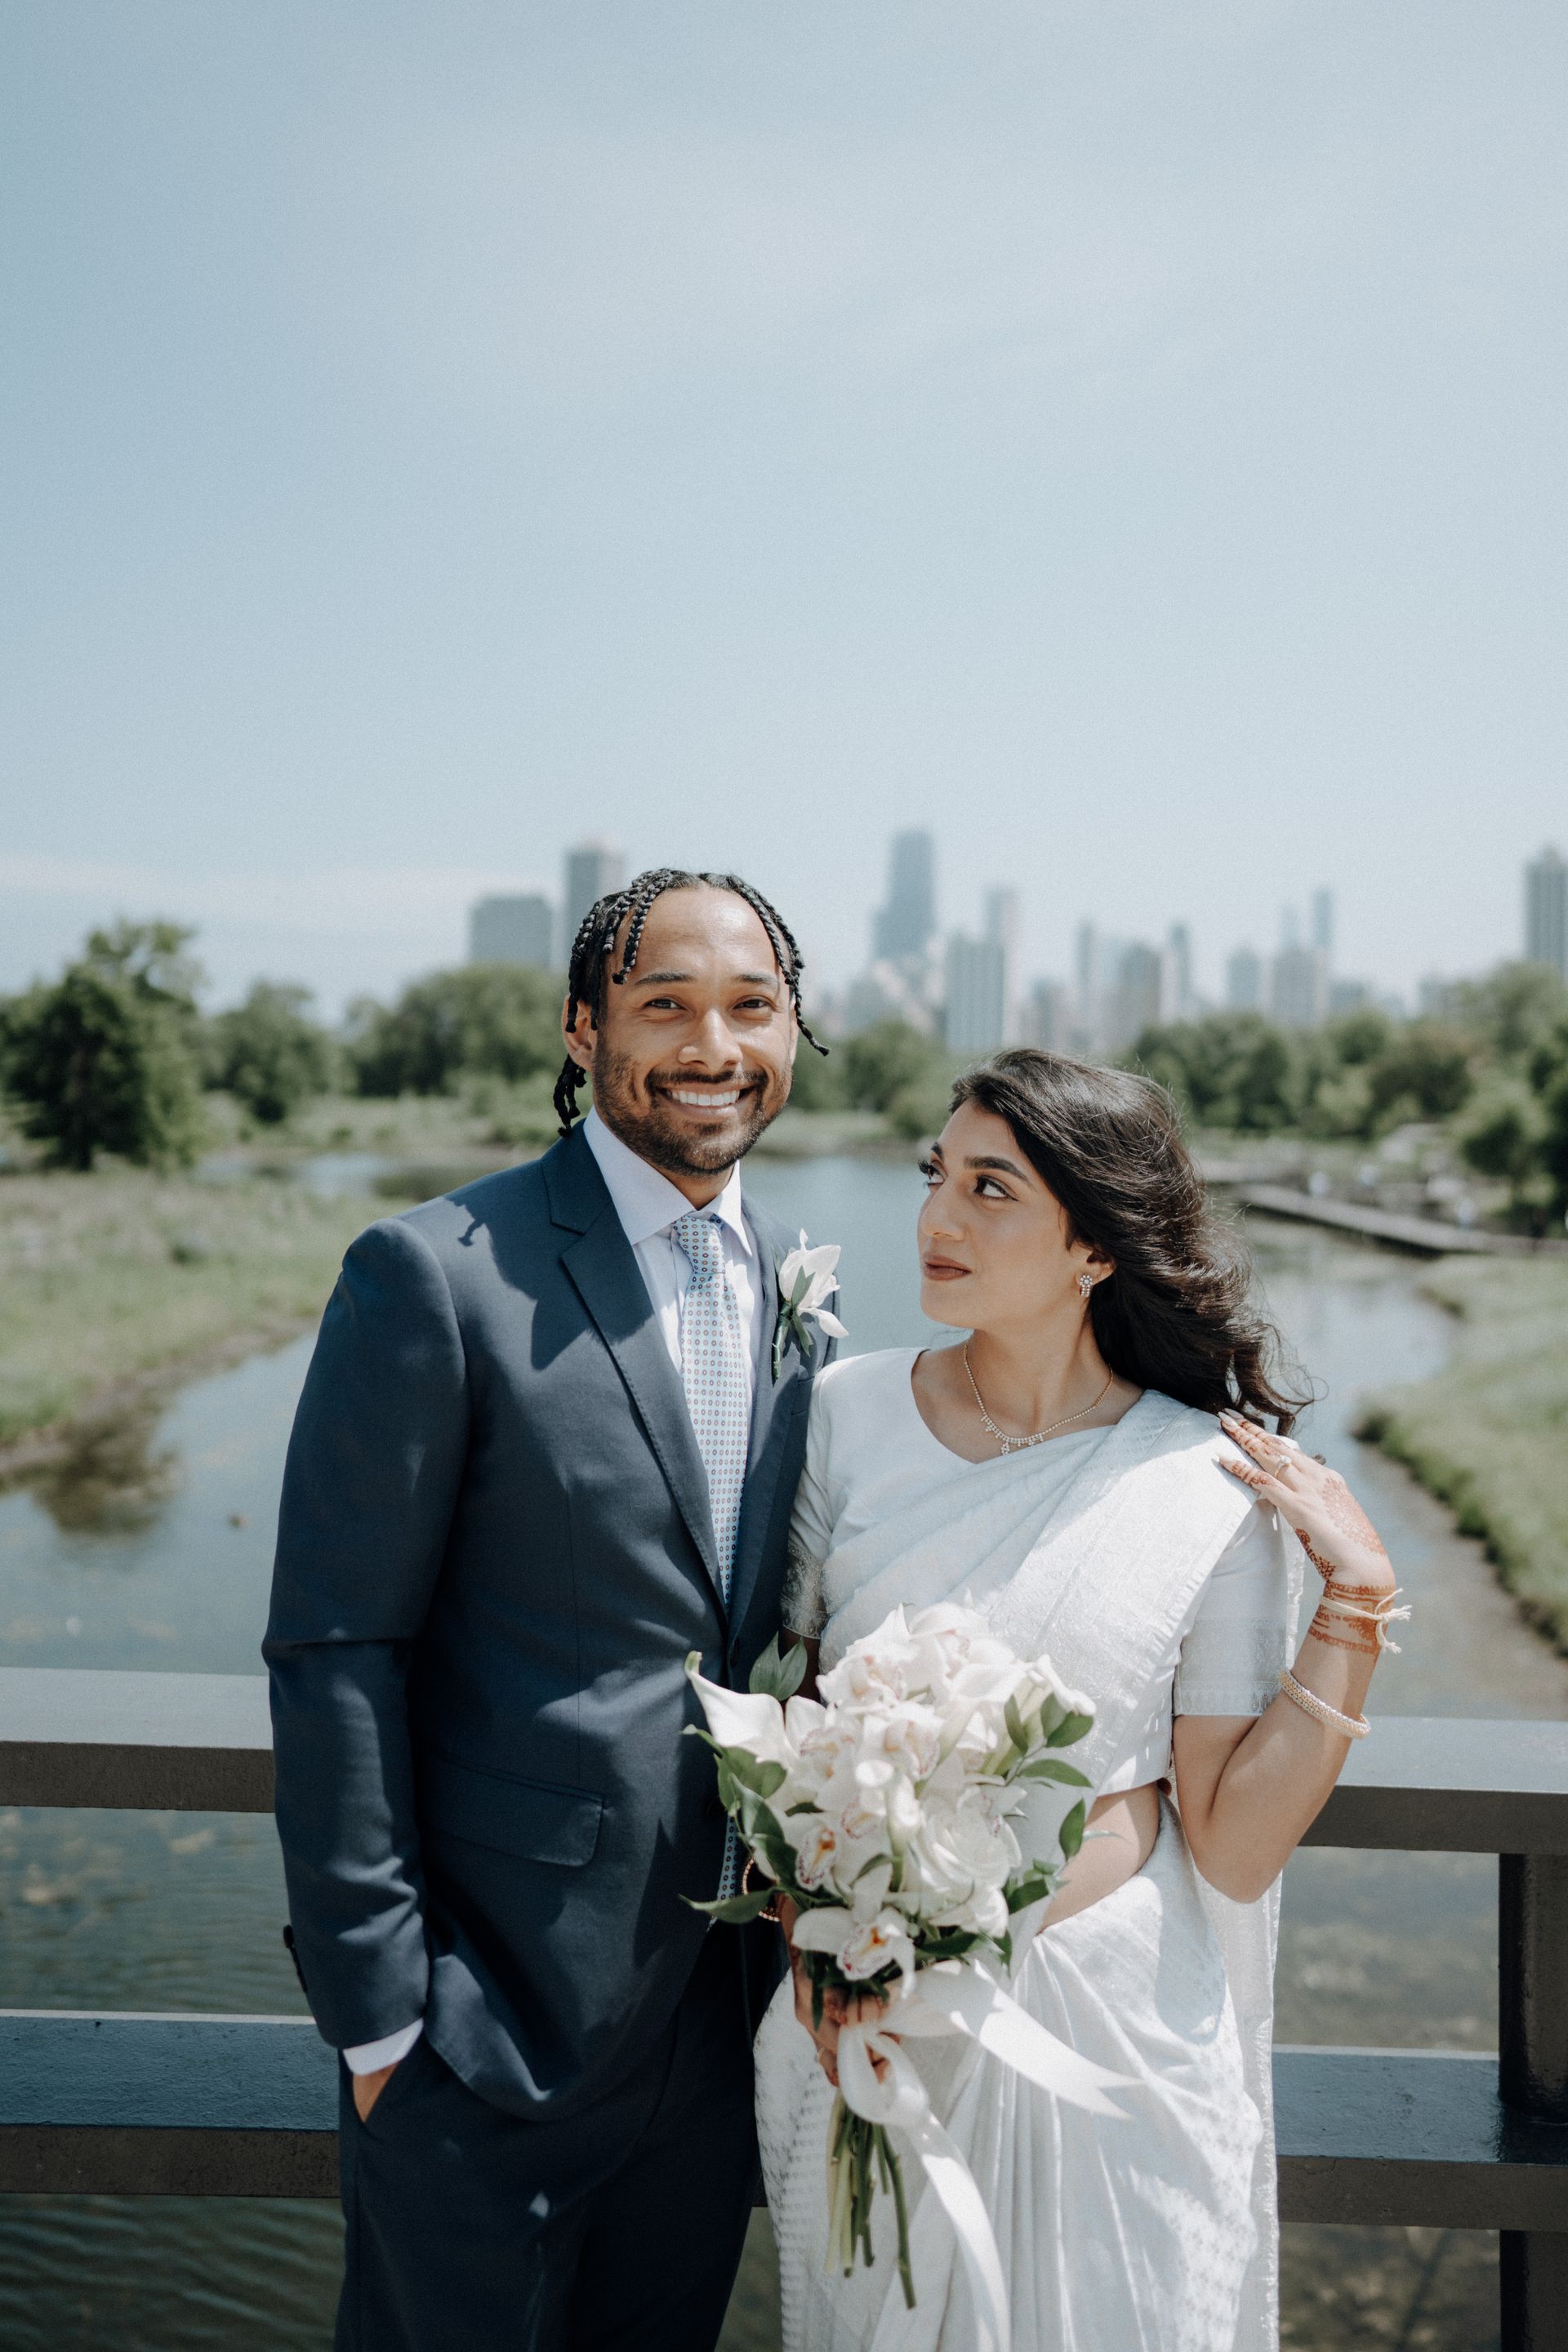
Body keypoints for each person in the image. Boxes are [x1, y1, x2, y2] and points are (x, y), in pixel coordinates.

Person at [263, 868, 839, 2352]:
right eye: (666, 1004)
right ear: (584, 1030)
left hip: (712, 2041)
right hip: (482, 2039)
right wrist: (385, 2023)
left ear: (794, 1032)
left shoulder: (796, 1284)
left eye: (750, 1005)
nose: (712, 1042)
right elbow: (337, 1653)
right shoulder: (433, 1275)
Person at [755, 1047, 1401, 2352]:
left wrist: (1359, 1605)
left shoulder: (1206, 1481)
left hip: (1119, 2045)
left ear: (1095, 1246)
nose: (935, 1220)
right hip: (873, 2020)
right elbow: (785, 1719)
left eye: (993, 1189)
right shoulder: (840, 1417)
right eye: (938, 1176)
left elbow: (1229, 1840)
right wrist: (816, 1935)